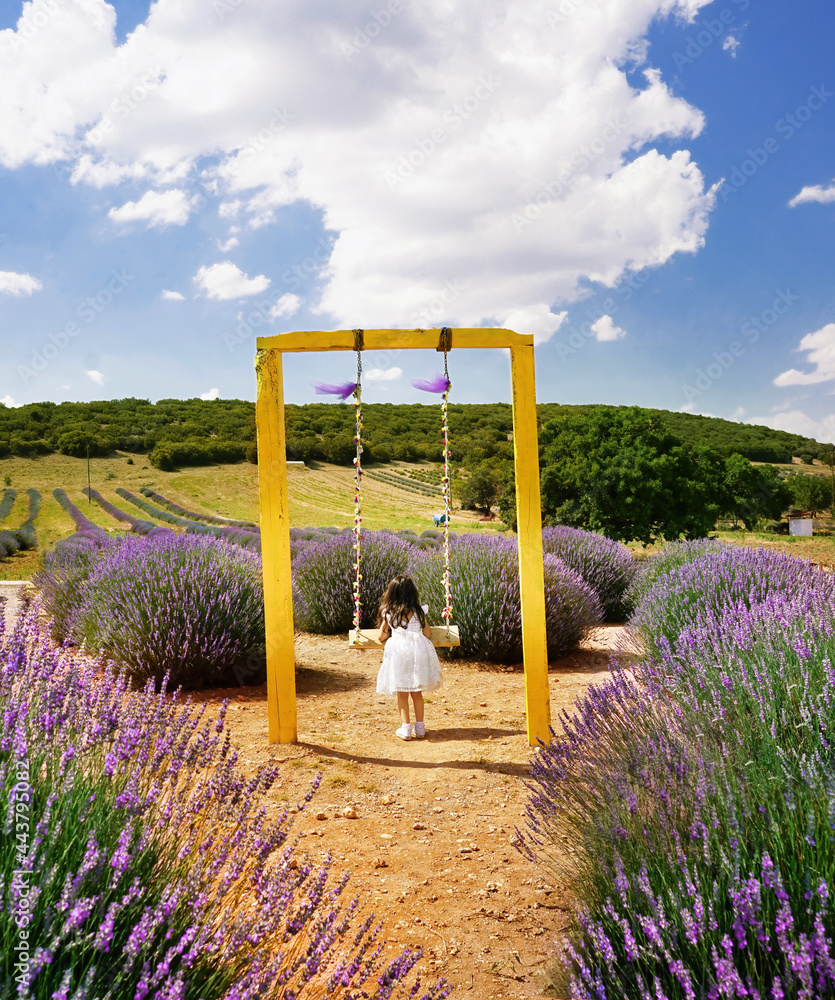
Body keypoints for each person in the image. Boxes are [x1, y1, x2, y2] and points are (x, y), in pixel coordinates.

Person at [376, 574, 443, 740]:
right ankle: (420, 728)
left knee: (402, 692)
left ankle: (405, 728)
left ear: (392, 593)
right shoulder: (419, 612)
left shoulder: (389, 613)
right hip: (417, 652)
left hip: (398, 652)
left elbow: (381, 637)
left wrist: (390, 629)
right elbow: (427, 633)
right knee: (416, 691)